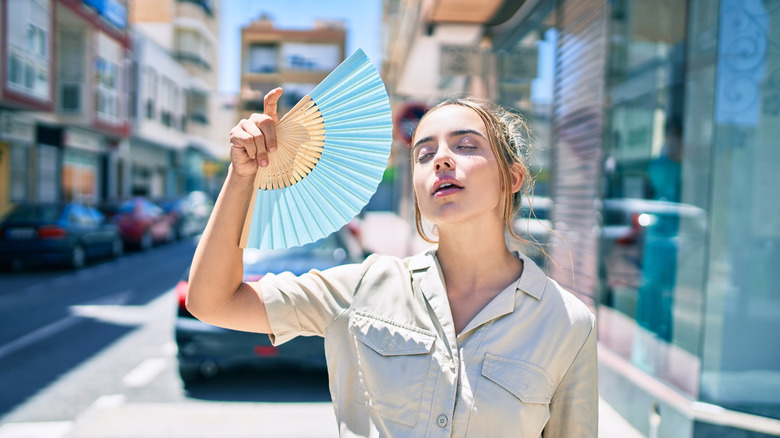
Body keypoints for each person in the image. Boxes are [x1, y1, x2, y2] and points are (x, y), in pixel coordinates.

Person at [187, 88, 598, 437]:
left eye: (466, 146)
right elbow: (212, 301)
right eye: (424, 154)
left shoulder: (568, 324)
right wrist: (242, 176)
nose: (441, 160)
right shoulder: (363, 287)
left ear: (513, 178)